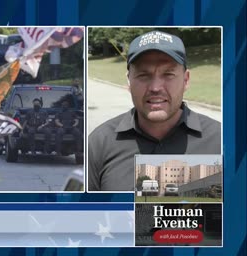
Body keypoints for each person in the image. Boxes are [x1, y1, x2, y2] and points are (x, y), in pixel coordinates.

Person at [88, 30, 221, 191]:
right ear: (129, 80)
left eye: (168, 74)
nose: (155, 88)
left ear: (186, 80)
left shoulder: (221, 141)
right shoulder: (99, 143)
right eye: (144, 75)